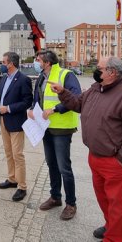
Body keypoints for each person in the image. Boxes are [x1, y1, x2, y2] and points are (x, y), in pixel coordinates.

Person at [49, 56, 122, 242]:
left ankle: (114, 238)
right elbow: (78, 104)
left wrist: (121, 159)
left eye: (99, 68)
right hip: (96, 156)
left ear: (112, 72)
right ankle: (110, 226)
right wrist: (63, 92)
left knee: (116, 204)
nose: (96, 70)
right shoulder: (97, 88)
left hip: (116, 161)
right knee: (104, 199)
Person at [27, 50, 81, 220]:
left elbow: (76, 98)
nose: (36, 62)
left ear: (48, 62)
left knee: (64, 167)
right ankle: (55, 197)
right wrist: (32, 109)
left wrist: (56, 109)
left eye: (38, 60)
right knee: (51, 164)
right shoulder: (42, 77)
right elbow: (38, 98)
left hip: (62, 128)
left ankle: (71, 203)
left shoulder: (66, 75)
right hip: (46, 127)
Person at [0, 52, 33, 202]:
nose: (1, 64)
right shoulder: (4, 78)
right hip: (3, 121)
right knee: (9, 153)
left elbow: (28, 101)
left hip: (16, 121)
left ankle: (22, 187)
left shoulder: (23, 79)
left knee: (18, 155)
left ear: (11, 64)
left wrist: (8, 108)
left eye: (3, 62)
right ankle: (12, 179)